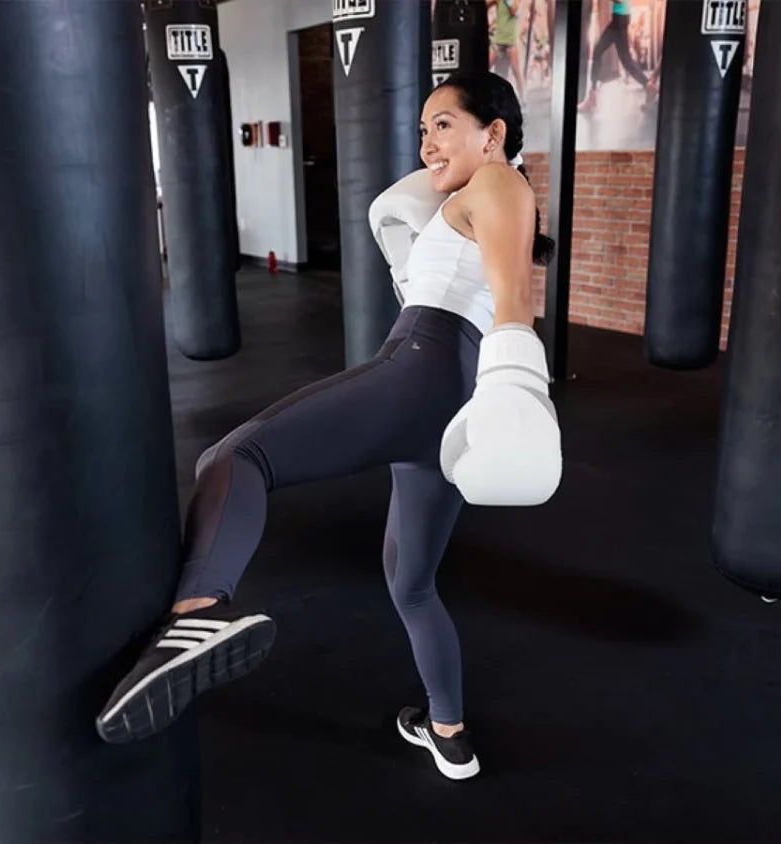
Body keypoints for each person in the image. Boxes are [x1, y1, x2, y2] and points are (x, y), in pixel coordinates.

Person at [96, 71, 562, 781]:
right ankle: (447, 730)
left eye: (442, 124)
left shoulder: (497, 185)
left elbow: (513, 300)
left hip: (420, 369)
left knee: (235, 456)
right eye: (421, 129)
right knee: (410, 583)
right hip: (448, 406)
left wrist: (523, 386)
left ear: (492, 133)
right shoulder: (474, 195)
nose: (426, 142)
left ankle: (198, 613)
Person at [577, 0, 658, 113]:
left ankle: (649, 86)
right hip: (619, 19)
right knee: (602, 52)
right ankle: (593, 95)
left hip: (620, 20)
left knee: (623, 59)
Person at [488, 0, 525, 99]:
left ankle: (523, 99)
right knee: (485, 67)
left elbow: (514, 10)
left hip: (511, 42)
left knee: (517, 72)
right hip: (498, 40)